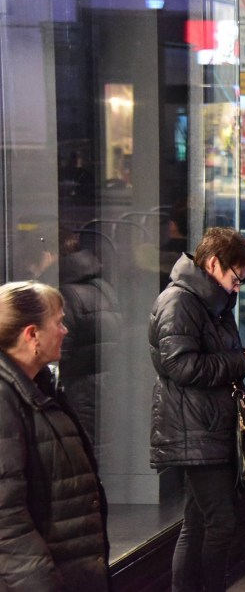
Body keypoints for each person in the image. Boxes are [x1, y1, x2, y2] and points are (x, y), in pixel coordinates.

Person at [149, 227, 245, 592]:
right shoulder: (180, 302)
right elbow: (182, 367)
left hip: (206, 422)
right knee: (219, 523)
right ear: (212, 263)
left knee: (198, 522)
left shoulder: (210, 302)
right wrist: (242, 362)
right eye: (235, 278)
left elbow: (210, 359)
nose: (237, 288)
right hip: (193, 426)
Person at [0, 281, 110, 591]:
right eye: (58, 322)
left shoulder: (39, 387)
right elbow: (6, 520)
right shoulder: (5, 398)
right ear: (31, 334)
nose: (64, 330)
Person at [56, 228, 123, 447]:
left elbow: (59, 354)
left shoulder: (67, 294)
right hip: (105, 389)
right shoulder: (102, 287)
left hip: (79, 393)